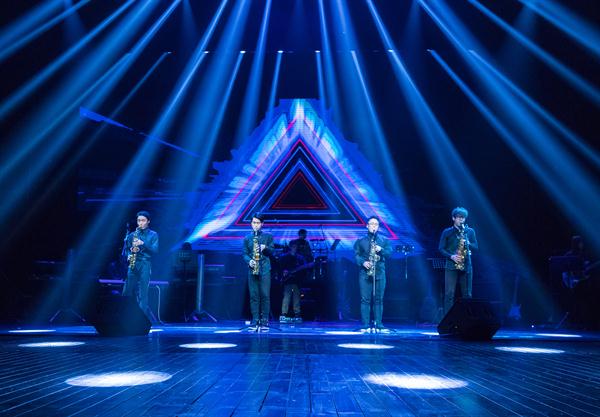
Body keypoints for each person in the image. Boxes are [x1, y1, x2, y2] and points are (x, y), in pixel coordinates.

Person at [354, 216, 392, 332]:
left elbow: (389, 253)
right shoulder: (360, 241)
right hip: (365, 273)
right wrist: (363, 262)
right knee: (365, 299)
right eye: (371, 224)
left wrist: (381, 250)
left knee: (379, 299)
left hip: (380, 273)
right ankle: (365, 324)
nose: (374, 226)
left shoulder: (384, 241)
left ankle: (379, 324)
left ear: (378, 227)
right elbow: (356, 255)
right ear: (367, 226)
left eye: (376, 224)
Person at [438, 207, 478, 315]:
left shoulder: (470, 231)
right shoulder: (447, 232)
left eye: (463, 218)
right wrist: (451, 256)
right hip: (451, 265)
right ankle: (448, 319)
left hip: (466, 265)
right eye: (459, 217)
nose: (461, 220)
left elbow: (476, 247)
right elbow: (441, 248)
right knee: (449, 294)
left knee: (467, 294)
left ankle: (467, 318)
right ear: (453, 218)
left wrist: (468, 243)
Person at [122, 211, 159, 317]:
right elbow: (127, 249)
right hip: (133, 263)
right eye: (139, 220)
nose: (140, 223)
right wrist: (129, 254)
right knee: (126, 291)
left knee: (143, 292)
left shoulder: (153, 235)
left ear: (148, 221)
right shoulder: (132, 235)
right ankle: (123, 315)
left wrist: (143, 243)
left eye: (143, 220)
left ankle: (141, 317)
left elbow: (155, 250)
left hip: (145, 263)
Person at [242, 213, 274, 330]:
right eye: (254, 223)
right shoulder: (247, 238)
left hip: (265, 269)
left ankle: (265, 320)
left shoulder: (268, 236)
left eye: (258, 223)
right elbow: (244, 253)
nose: (255, 225)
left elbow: (272, 251)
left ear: (262, 224)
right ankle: (255, 319)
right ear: (251, 224)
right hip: (252, 269)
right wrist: (249, 261)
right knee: (254, 296)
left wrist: (265, 248)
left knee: (265, 295)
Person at [278, 243, 308, 323]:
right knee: (287, 296)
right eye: (293, 246)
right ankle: (284, 313)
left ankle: (297, 314)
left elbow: (303, 269)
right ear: (290, 247)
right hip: (288, 280)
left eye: (296, 246)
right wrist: (284, 271)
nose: (295, 248)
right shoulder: (285, 257)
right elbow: (280, 267)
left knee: (296, 297)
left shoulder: (300, 258)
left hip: (296, 280)